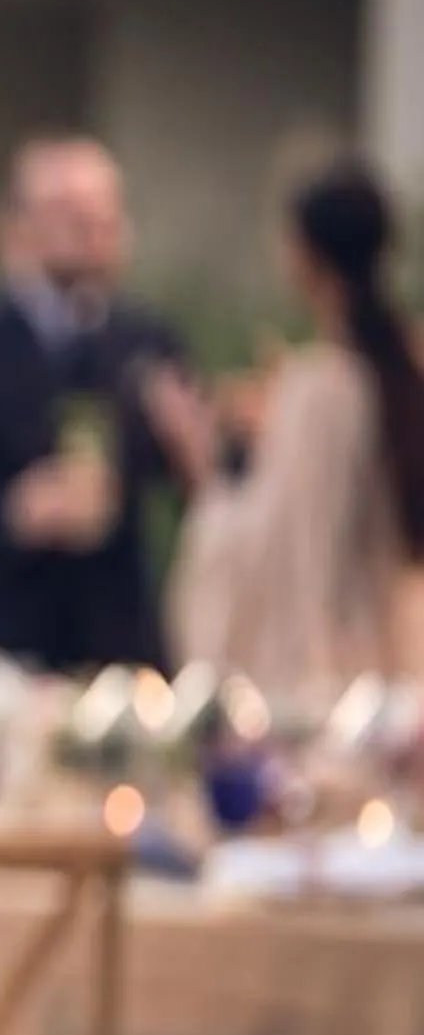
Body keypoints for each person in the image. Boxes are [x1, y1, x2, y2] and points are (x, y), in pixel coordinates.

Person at [0, 134, 200, 674]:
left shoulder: (146, 340)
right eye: (70, 214)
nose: (94, 231)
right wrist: (12, 512)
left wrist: (202, 453)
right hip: (4, 652)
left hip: (124, 653)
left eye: (106, 213)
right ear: (15, 226)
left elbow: (194, 490)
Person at [163, 162, 424, 700]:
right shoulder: (401, 366)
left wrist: (201, 463)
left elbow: (278, 557)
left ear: (304, 256)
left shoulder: (322, 387)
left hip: (340, 674)